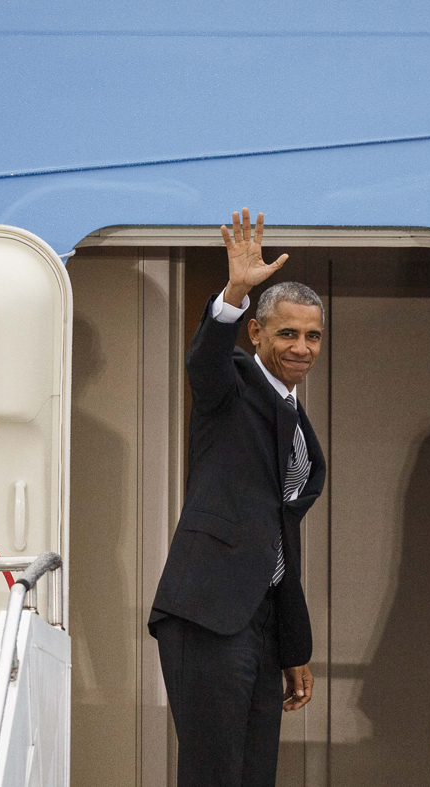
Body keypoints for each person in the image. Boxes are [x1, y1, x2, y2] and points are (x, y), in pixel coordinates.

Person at [149, 208, 327, 787]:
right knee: (213, 775)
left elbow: (281, 538)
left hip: (260, 624)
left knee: (254, 778)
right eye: (287, 333)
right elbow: (202, 360)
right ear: (256, 332)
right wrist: (232, 294)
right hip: (205, 614)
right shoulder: (230, 384)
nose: (302, 346)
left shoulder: (297, 421)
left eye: (313, 335)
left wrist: (292, 643)